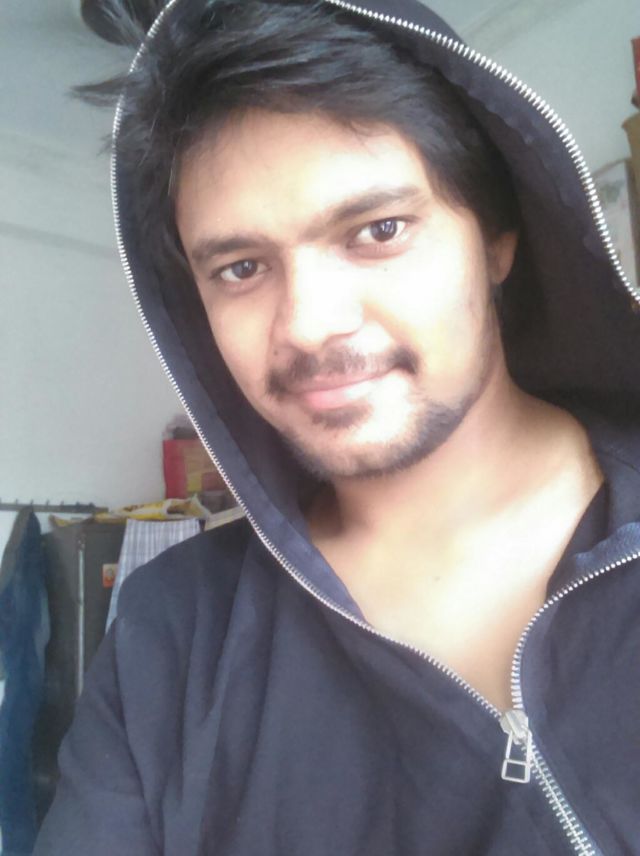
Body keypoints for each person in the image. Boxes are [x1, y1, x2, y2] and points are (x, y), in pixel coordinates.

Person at [34, 0, 640, 854]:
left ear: (496, 240)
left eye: (378, 231)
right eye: (241, 268)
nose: (311, 324)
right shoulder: (169, 635)